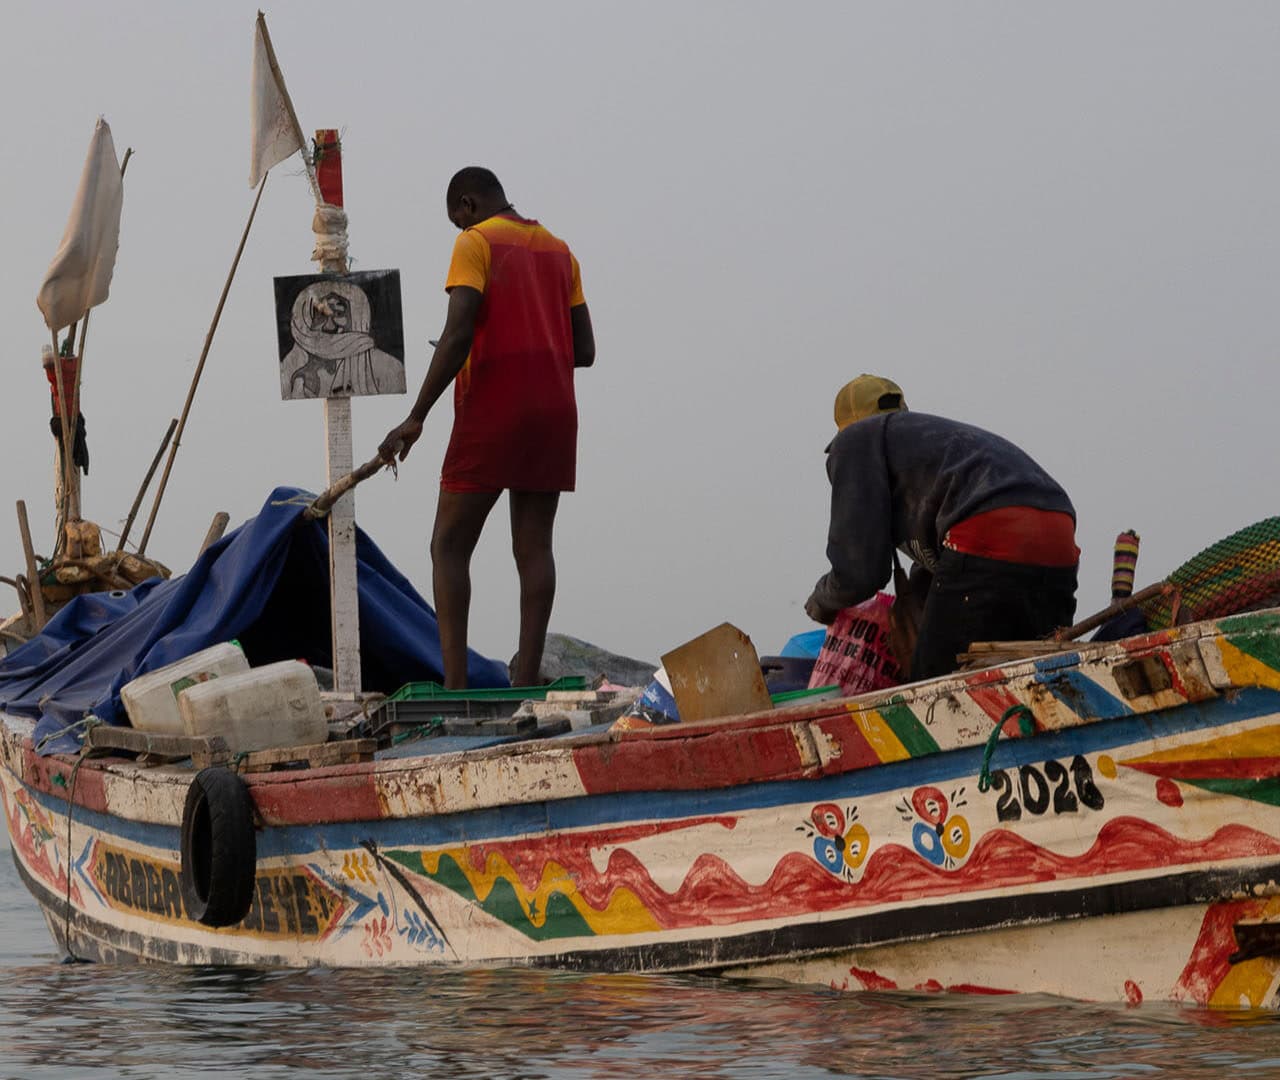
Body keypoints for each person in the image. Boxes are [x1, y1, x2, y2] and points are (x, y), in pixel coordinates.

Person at [379, 167, 595, 688]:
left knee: (449, 545)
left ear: (468, 205)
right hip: (555, 414)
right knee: (535, 548)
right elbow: (583, 351)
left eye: (457, 219)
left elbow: (456, 335)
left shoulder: (476, 243)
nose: (458, 229)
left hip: (493, 407)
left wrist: (416, 417)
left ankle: (456, 688)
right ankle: (525, 684)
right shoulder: (560, 251)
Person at [804, 374, 1079, 680]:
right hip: (1058, 535)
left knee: (936, 684)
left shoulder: (856, 441)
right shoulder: (932, 440)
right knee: (1039, 674)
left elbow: (859, 572)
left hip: (986, 530)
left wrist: (822, 603)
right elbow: (948, 569)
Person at [280, 280, 405, 398]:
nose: (330, 326)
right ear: (308, 319)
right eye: (321, 315)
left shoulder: (388, 368)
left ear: (356, 317)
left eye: (339, 314)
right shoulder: (291, 370)